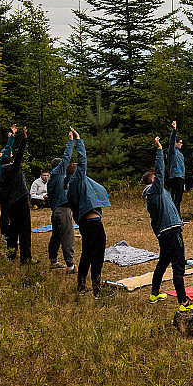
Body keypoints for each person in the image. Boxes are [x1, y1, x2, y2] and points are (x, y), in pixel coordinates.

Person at [143, 122, 193, 312]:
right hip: (170, 231)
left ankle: (154, 293)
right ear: (152, 181)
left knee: (163, 261)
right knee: (179, 264)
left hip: (165, 231)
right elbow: (160, 171)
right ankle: (183, 302)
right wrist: (160, 151)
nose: (159, 180)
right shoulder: (155, 192)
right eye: (156, 179)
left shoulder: (157, 195)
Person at [67, 127, 111, 297]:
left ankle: (81, 285)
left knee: (86, 253)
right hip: (93, 224)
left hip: (85, 224)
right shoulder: (77, 180)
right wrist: (79, 140)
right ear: (76, 173)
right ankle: (97, 290)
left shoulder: (70, 189)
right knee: (97, 256)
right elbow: (83, 160)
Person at [0, 126, 34, 263]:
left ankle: (11, 254)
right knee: (25, 229)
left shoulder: (1, 173)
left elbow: (6, 154)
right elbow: (18, 156)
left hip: (11, 205)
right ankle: (26, 258)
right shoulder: (12, 169)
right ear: (11, 162)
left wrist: (11, 137)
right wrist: (24, 139)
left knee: (13, 230)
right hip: (20, 202)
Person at [47, 131, 77, 273]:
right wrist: (71, 141)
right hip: (63, 210)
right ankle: (70, 265)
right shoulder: (58, 173)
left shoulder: (52, 179)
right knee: (68, 237)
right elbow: (66, 157)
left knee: (56, 236)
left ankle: (53, 260)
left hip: (55, 211)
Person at [0, 125, 17, 238]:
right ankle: (9, 232)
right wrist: (12, 137)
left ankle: (3, 232)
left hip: (0, 190)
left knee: (4, 211)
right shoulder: (2, 162)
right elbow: (7, 149)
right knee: (10, 211)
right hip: (7, 190)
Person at [167, 132, 186, 216]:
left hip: (181, 177)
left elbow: (182, 167)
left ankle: (177, 216)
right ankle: (173, 216)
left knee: (179, 199)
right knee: (174, 198)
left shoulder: (180, 154)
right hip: (174, 177)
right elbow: (171, 141)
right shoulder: (172, 151)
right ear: (175, 143)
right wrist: (174, 130)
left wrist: (183, 180)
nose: (181, 144)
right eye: (180, 142)